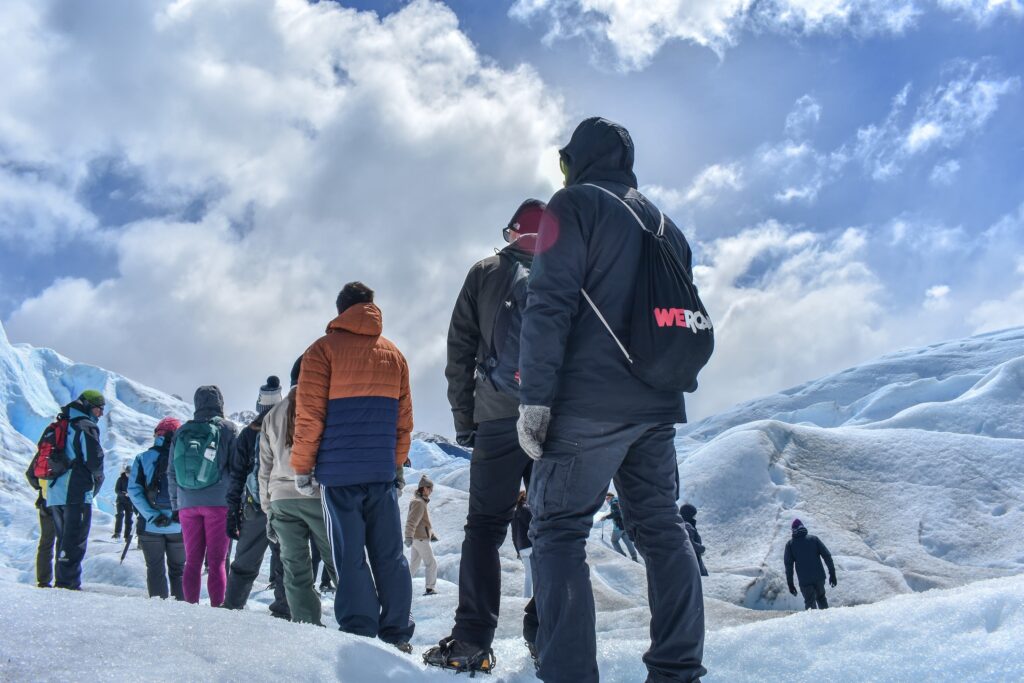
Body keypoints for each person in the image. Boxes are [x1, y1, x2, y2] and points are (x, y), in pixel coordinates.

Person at [517, 117, 706, 683]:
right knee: (661, 525)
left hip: (587, 406)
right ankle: (678, 669)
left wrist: (536, 399)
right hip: (656, 403)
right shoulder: (665, 223)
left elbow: (549, 303)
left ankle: (570, 674)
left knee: (556, 531)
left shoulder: (574, 205)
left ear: (578, 159)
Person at [425, 199, 546, 674]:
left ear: (513, 232)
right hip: (555, 423)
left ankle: (472, 642)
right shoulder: (572, 270)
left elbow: (459, 352)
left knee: (483, 531)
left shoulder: (486, 271)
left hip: (497, 421)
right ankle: (549, 634)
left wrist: (465, 420)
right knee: (554, 531)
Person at [291, 281, 415, 652]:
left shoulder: (321, 351)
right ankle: (396, 632)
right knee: (389, 553)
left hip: (338, 473)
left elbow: (309, 416)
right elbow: (404, 420)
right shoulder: (393, 354)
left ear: (340, 309)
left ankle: (361, 632)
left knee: (349, 554)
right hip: (380, 471)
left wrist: (302, 467)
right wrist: (395, 465)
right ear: (370, 308)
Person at [260, 356, 337, 626]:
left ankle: (306, 626)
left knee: (295, 569)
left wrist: (268, 510)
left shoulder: (272, 415)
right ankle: (357, 622)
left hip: (281, 501)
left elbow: (264, 471)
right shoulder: (322, 405)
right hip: (317, 497)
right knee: (338, 561)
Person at [222, 377, 290, 620]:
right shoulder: (290, 426)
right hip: (284, 506)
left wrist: (233, 510)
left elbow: (237, 476)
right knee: (286, 561)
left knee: (244, 562)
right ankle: (284, 612)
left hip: (255, 507)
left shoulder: (248, 434)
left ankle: (231, 608)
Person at [167, 385, 237, 606]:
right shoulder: (228, 428)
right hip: (218, 504)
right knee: (217, 562)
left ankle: (191, 608)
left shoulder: (182, 431)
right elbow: (237, 469)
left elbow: (171, 471)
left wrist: (176, 504)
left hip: (187, 504)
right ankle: (217, 609)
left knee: (192, 562)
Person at [47, 390, 106, 590]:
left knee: (63, 540)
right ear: (89, 406)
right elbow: (94, 460)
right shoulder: (85, 426)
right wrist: (98, 479)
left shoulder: (60, 424)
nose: (100, 415)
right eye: (99, 410)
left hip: (54, 493)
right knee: (75, 541)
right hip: (76, 492)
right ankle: (68, 586)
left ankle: (61, 582)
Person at [127, 417, 186, 600]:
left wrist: (152, 516)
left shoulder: (142, 458)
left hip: (150, 526)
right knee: (179, 570)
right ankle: (181, 611)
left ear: (157, 435)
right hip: (179, 526)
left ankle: (159, 608)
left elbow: (134, 491)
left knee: (155, 568)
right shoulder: (184, 459)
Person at [785, 519, 836, 610]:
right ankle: (828, 622)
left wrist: (790, 584)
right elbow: (827, 556)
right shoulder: (814, 539)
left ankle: (813, 623)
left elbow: (789, 566)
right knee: (821, 599)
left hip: (805, 581)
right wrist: (832, 574)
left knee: (810, 603)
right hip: (819, 578)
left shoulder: (790, 545)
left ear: (793, 530)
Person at [24, 454, 57, 588]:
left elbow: (30, 474)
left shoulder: (48, 447)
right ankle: (64, 580)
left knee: (46, 541)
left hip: (46, 500)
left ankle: (44, 580)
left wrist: (43, 488)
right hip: (67, 502)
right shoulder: (74, 445)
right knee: (66, 541)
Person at [405, 474, 439, 596]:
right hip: (420, 538)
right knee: (431, 563)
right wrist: (408, 536)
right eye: (430, 488)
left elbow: (423, 522)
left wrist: (432, 534)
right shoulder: (419, 503)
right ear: (424, 488)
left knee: (414, 564)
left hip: (418, 537)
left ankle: (402, 586)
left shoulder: (420, 502)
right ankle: (430, 588)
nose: (431, 491)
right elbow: (412, 521)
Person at [601, 493, 638, 562]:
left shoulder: (614, 503)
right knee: (628, 542)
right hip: (625, 525)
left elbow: (616, 513)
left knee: (614, 541)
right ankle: (634, 557)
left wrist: (606, 517)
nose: (606, 500)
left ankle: (622, 556)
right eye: (605, 499)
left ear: (611, 497)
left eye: (607, 498)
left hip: (618, 526)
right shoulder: (619, 501)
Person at [511, 490, 533, 598]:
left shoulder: (514, 513)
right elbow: (533, 527)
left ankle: (526, 597)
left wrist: (517, 551)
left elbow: (513, 535)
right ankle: (535, 599)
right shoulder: (528, 510)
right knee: (538, 574)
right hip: (531, 545)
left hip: (522, 547)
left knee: (528, 575)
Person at [680, 504, 708, 577]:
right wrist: (701, 548)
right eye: (693, 515)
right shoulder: (687, 526)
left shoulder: (681, 524)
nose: (694, 518)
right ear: (689, 515)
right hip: (693, 561)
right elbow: (689, 543)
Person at [113, 465, 134, 540]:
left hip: (130, 502)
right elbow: (116, 490)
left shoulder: (133, 480)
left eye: (129, 473)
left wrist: (131, 494)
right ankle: (117, 533)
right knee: (120, 515)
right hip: (120, 501)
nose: (128, 474)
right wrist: (124, 494)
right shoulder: (120, 479)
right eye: (127, 473)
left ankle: (127, 536)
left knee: (129, 519)